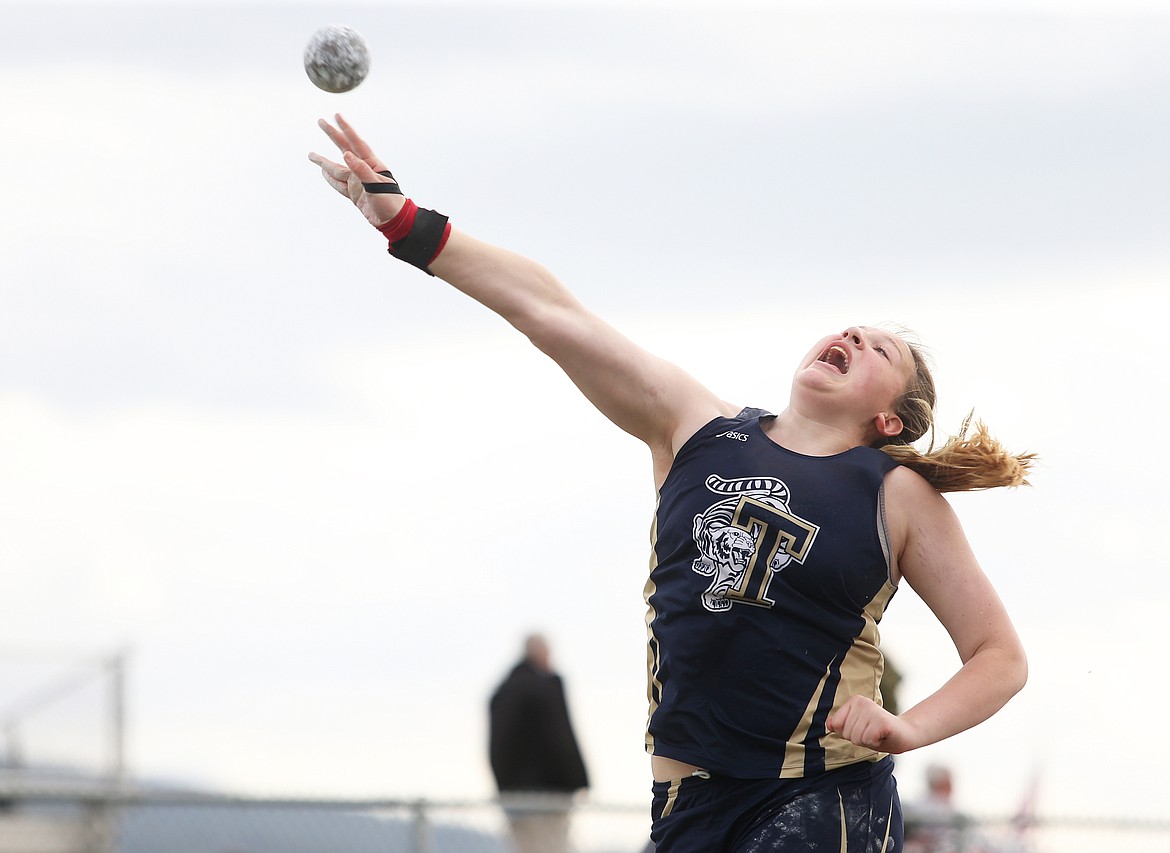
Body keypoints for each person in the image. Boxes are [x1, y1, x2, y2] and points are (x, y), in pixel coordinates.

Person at [309, 114, 1032, 853]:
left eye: (878, 348)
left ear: (888, 419)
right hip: (687, 804)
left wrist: (907, 727)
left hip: (821, 796)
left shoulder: (894, 494)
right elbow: (553, 312)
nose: (851, 336)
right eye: (849, 329)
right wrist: (404, 221)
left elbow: (999, 656)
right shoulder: (697, 426)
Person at [488, 634, 589, 853]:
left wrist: (505, 787)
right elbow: (560, 737)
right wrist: (577, 779)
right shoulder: (544, 688)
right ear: (542, 653)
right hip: (550, 795)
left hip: (514, 796)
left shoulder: (502, 692)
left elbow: (497, 750)